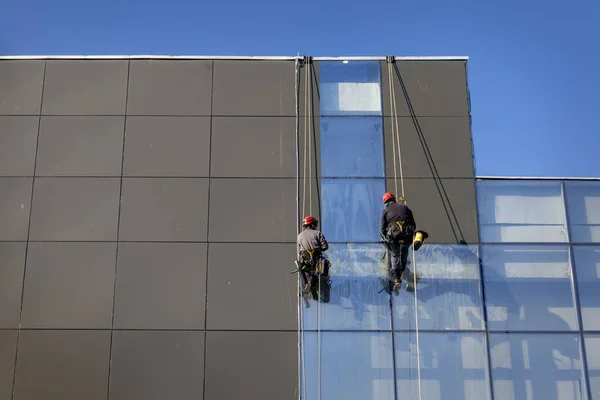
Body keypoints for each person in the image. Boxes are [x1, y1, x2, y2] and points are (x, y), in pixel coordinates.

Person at [380, 192, 416, 292]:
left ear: (385, 202)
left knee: (395, 254)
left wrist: (385, 238)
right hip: (407, 234)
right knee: (404, 250)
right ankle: (403, 268)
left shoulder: (386, 210)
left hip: (394, 236)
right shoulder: (405, 208)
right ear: (394, 199)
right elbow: (413, 224)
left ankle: (396, 278)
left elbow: (383, 229)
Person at [297, 216, 329, 294]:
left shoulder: (300, 236)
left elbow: (300, 249)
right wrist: (318, 248)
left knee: (301, 268)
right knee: (325, 263)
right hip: (316, 260)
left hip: (305, 261)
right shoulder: (318, 233)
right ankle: (320, 283)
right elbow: (325, 247)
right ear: (311, 224)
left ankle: (306, 284)